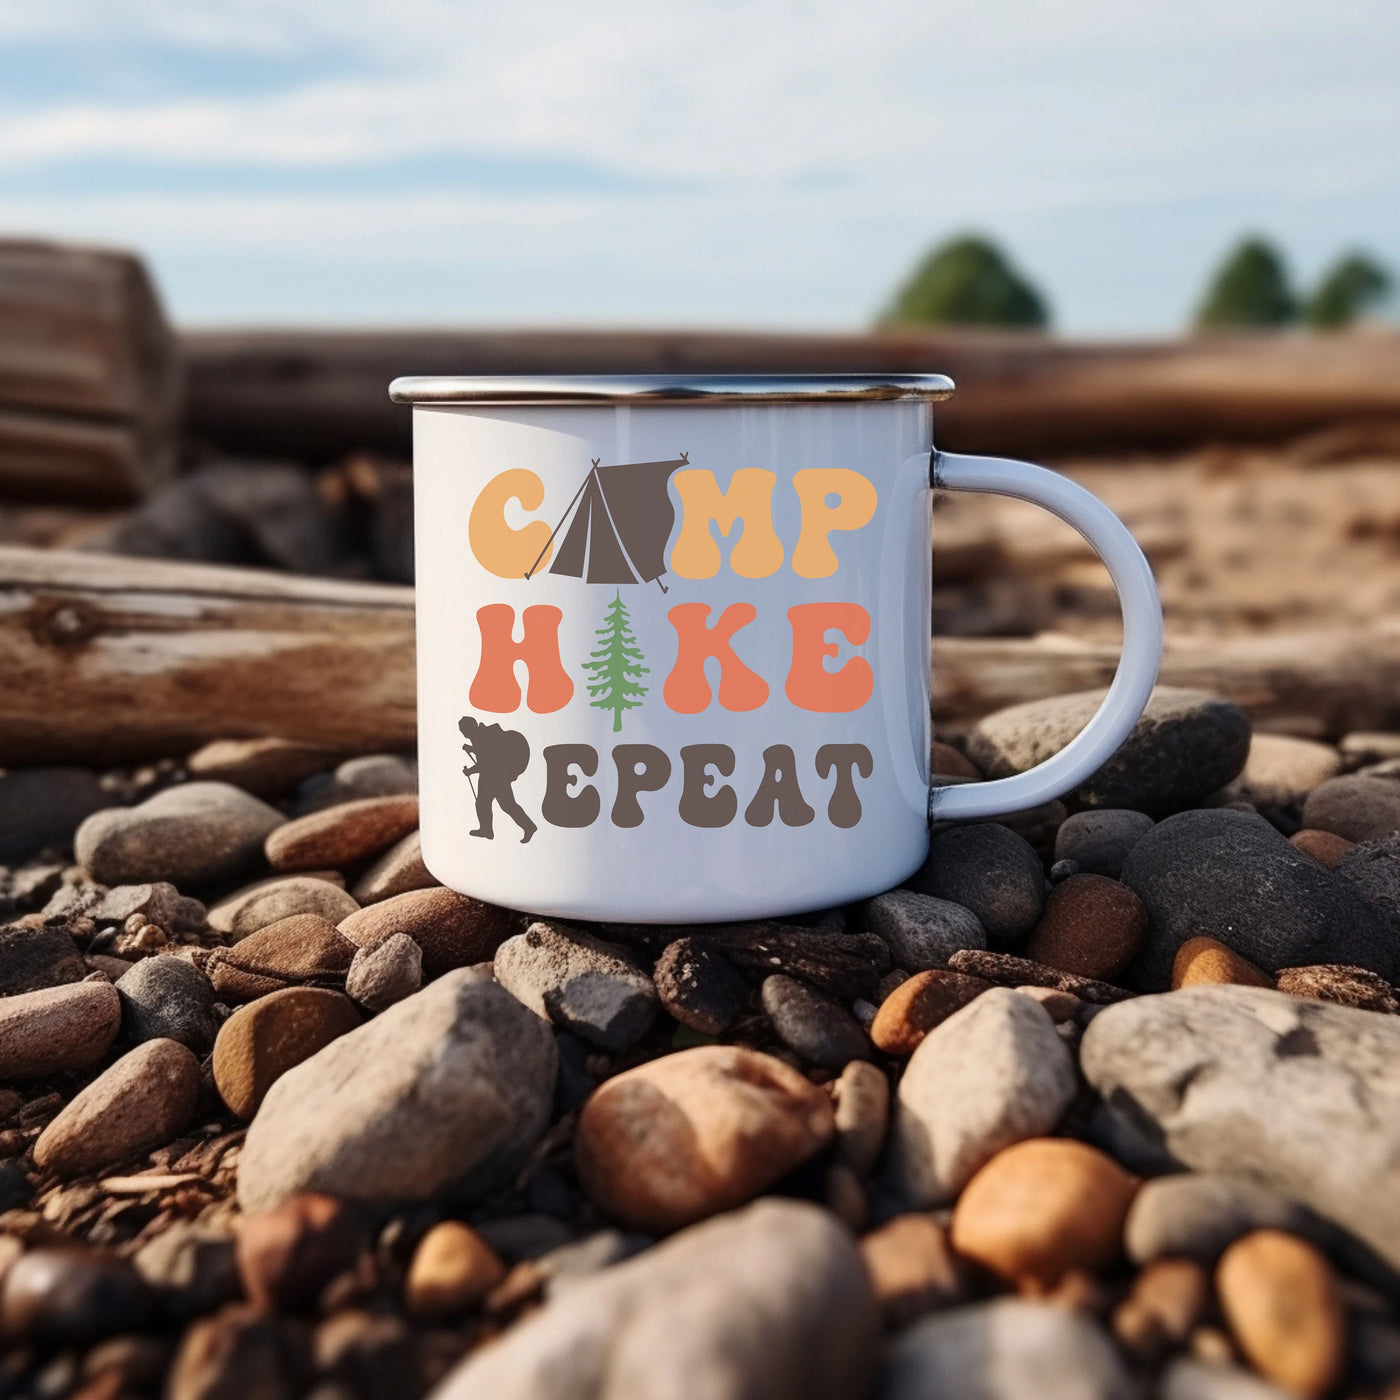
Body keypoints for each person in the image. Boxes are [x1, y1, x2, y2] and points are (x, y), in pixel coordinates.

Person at [458, 715, 537, 843]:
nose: (463, 733)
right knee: (486, 803)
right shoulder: (480, 736)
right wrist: (471, 749)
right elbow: (483, 752)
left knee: (505, 805)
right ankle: (487, 830)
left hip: (495, 777)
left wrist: (470, 771)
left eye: (463, 730)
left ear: (470, 727)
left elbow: (486, 761)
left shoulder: (482, 737)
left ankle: (528, 827)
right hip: (492, 776)